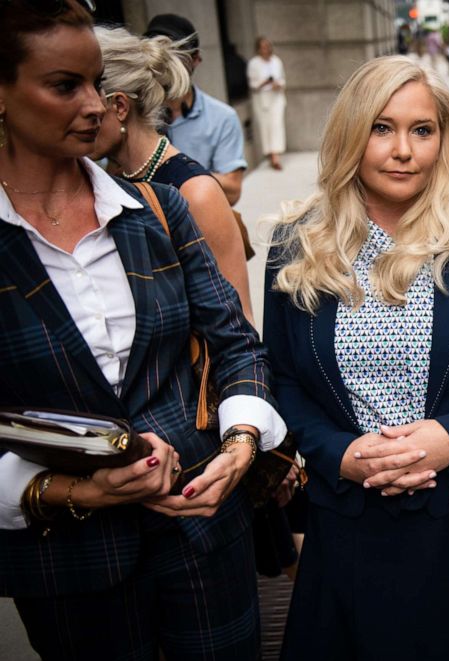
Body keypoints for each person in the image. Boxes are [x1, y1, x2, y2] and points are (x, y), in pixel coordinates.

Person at [0, 2, 286, 658]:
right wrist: (75, 490)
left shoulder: (155, 209)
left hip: (205, 534)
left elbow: (236, 340)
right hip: (68, 566)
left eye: (97, 83)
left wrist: (240, 446)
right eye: (64, 85)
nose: (95, 105)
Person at [264, 55, 449, 660]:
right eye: (382, 127)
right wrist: (337, 454)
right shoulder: (297, 245)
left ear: (442, 139)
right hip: (347, 527)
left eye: (422, 130)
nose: (403, 149)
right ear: (351, 133)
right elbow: (284, 382)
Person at [90, 26, 254, 324]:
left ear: (119, 106)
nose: (78, 110)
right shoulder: (105, 178)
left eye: (86, 93)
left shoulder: (196, 193)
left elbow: (240, 324)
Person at [145, 14, 247, 206]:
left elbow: (232, 191)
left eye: (175, 53)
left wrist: (173, 170)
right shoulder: (135, 114)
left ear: (196, 59)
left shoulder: (222, 117)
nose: (166, 63)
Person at [247, 36, 287, 171]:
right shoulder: (254, 63)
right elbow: (252, 85)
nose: (266, 49)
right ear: (258, 49)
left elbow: (282, 79)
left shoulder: (276, 61)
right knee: (266, 126)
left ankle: (276, 156)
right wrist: (264, 82)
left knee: (277, 125)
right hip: (262, 98)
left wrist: (277, 84)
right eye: (263, 47)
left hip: (276, 97)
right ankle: (270, 154)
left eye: (267, 46)